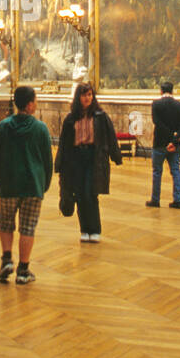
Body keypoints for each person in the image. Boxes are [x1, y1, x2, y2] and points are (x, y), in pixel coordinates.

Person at [0, 86, 54, 284]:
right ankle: (23, 270)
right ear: (30, 104)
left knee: (5, 222)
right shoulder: (40, 129)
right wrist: (45, 184)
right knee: (28, 227)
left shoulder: (4, 127)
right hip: (33, 186)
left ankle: (7, 259)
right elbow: (47, 161)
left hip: (8, 185)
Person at [55, 82, 122, 242]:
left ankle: (95, 229)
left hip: (94, 158)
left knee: (90, 193)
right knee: (79, 194)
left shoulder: (100, 116)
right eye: (84, 95)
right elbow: (64, 143)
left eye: (90, 95)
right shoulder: (71, 118)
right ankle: (84, 229)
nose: (87, 98)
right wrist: (59, 163)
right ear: (78, 97)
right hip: (76, 159)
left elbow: (110, 136)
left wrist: (116, 156)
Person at [147, 81, 180, 209]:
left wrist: (169, 137)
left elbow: (157, 122)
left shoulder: (156, 104)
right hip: (174, 145)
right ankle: (178, 200)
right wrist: (174, 139)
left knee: (157, 172)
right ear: (172, 90)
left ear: (161, 91)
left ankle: (155, 199)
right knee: (175, 170)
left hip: (159, 142)